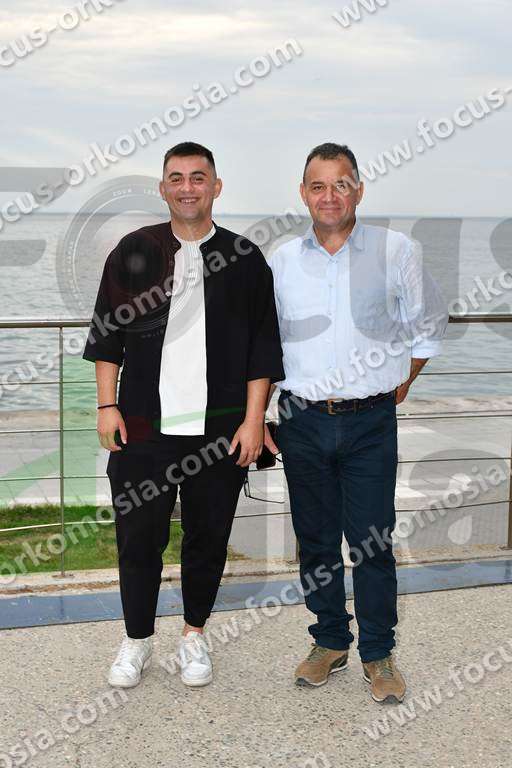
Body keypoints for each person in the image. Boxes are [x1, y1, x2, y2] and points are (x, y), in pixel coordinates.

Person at [83, 142, 284, 689]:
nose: (187, 187)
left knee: (208, 538)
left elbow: (263, 348)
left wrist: (253, 420)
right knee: (137, 538)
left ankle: (195, 635)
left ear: (216, 187)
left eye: (198, 177)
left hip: (220, 431)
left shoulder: (245, 258)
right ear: (163, 188)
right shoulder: (133, 251)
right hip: (142, 427)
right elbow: (107, 335)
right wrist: (107, 406)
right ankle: (137, 639)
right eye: (177, 178)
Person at [264, 142, 448, 703]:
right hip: (299, 420)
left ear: (359, 190)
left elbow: (428, 322)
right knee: (315, 540)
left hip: (370, 422)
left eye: (340, 184)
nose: (330, 196)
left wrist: (404, 379)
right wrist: (261, 414)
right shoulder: (280, 260)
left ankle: (378, 651)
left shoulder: (397, 250)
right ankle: (329, 641)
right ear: (303, 194)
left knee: (372, 542)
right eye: (318, 186)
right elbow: (264, 343)